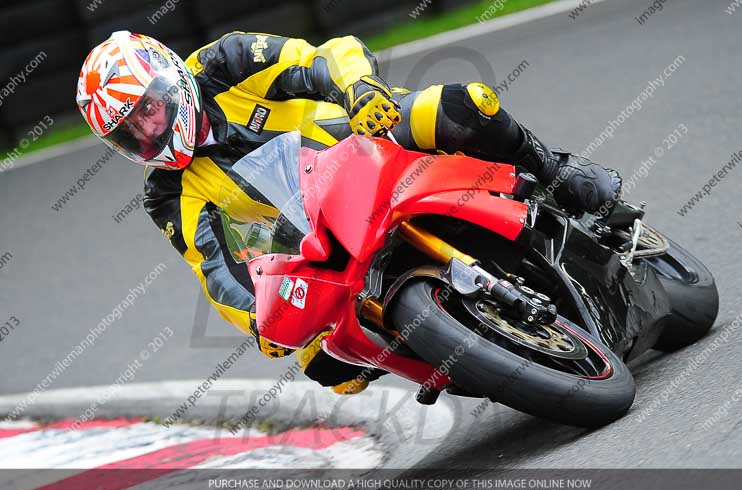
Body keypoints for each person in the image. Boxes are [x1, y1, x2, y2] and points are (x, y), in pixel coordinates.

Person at [76, 30, 620, 394]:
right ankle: (471, 357)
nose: (149, 131)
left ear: (167, 77)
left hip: (371, 135)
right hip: (320, 223)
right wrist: (264, 322)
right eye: (129, 132)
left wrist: (358, 87)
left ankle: (556, 173)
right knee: (323, 363)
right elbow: (216, 272)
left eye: (147, 108)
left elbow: (324, 55)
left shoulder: (223, 63)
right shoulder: (165, 192)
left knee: (462, 104)